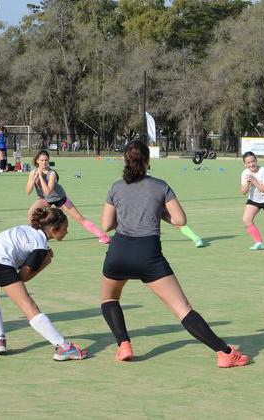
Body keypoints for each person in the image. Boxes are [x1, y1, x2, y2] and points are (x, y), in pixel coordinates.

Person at [99, 141, 249, 368]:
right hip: (148, 255)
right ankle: (224, 352)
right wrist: (157, 213)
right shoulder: (160, 186)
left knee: (109, 299)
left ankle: (123, 345)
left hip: (118, 252)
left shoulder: (115, 187)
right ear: (148, 162)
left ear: (125, 161)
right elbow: (180, 220)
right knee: (182, 309)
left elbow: (106, 224)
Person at [0, 207, 87, 360]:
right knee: (30, 307)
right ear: (54, 230)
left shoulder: (29, 229)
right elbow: (23, 277)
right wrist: (45, 263)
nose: (67, 232)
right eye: (65, 229)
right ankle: (63, 347)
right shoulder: (40, 245)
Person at [26, 150, 110, 243]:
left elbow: (48, 192)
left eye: (46, 160)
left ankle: (102, 236)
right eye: (42, 160)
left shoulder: (52, 173)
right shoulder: (33, 173)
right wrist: (33, 179)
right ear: (37, 160)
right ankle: (34, 236)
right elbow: (28, 192)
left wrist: (41, 177)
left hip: (60, 198)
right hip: (45, 199)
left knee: (79, 218)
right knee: (31, 213)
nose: (44, 163)